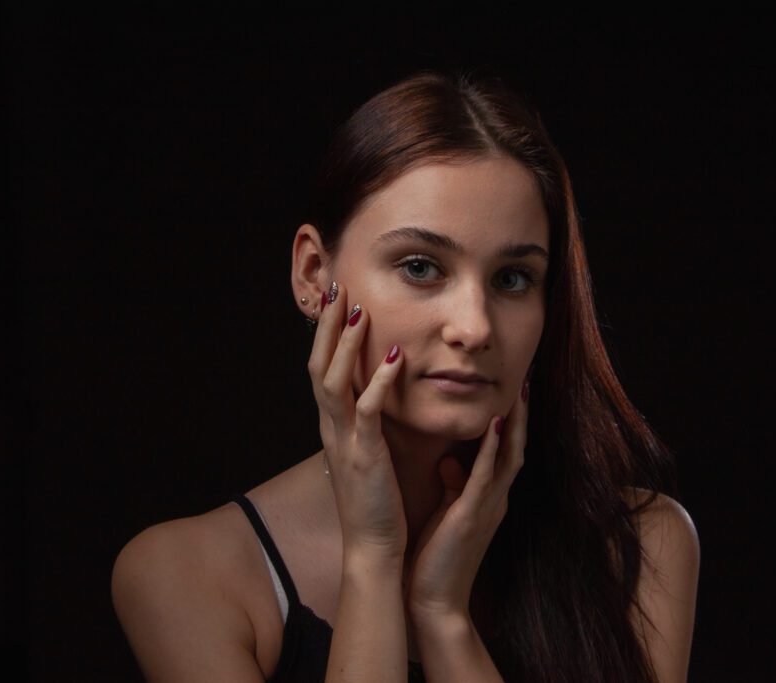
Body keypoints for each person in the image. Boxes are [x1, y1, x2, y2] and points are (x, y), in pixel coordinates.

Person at [111, 67, 700, 683]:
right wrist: (372, 558)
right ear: (313, 274)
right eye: (420, 267)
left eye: (512, 279)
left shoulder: (641, 545)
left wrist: (442, 616)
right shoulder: (186, 575)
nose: (474, 327)